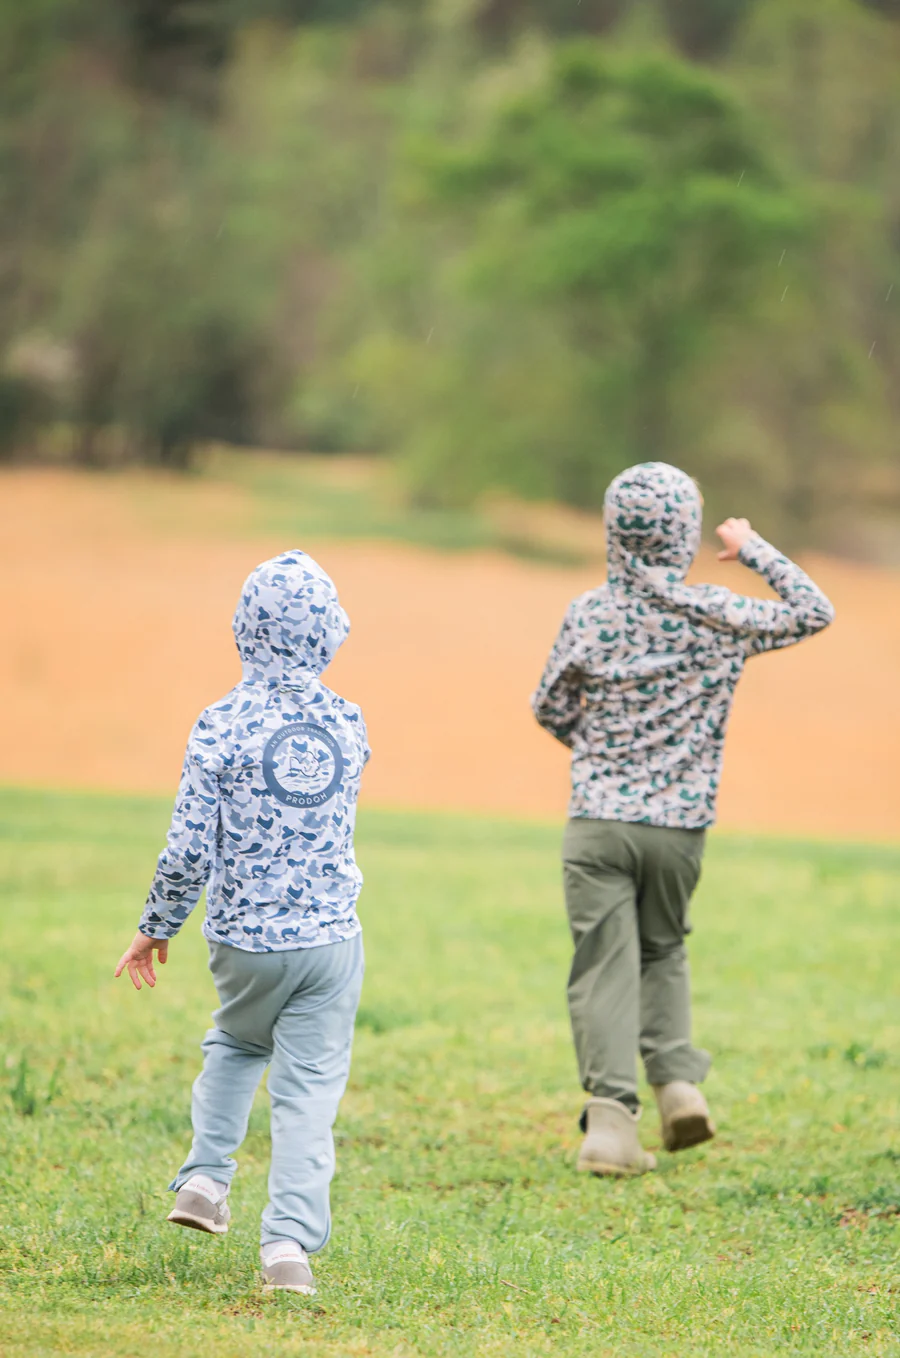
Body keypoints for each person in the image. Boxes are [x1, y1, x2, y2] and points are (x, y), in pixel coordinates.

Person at [531, 462, 834, 1176]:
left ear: (614, 533)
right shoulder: (717, 614)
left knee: (603, 966)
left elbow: (548, 704)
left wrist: (603, 746)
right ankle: (677, 1089)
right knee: (663, 949)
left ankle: (610, 1126)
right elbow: (813, 610)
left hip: (597, 820)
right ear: (685, 534)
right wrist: (752, 547)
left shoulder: (590, 613)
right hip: (678, 829)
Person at [115, 551, 369, 1293]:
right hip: (328, 941)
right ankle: (287, 1250)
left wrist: (155, 925)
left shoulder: (219, 724)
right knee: (308, 1093)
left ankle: (203, 1180)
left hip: (242, 939)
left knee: (235, 1042)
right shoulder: (348, 724)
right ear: (328, 634)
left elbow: (189, 846)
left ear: (243, 632)